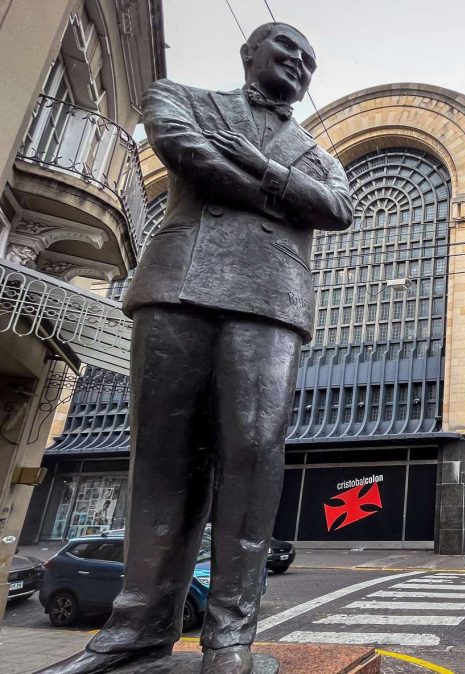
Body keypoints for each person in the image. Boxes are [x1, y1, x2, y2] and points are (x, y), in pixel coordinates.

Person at [41, 22, 352, 674]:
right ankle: (135, 632)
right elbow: (185, 153)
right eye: (285, 49)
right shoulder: (178, 95)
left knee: (253, 450)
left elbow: (335, 209)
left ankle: (231, 638)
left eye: (308, 59)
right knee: (163, 458)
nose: (297, 63)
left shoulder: (318, 152)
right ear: (249, 55)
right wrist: (278, 193)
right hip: (179, 282)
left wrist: (259, 166)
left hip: (271, 301)